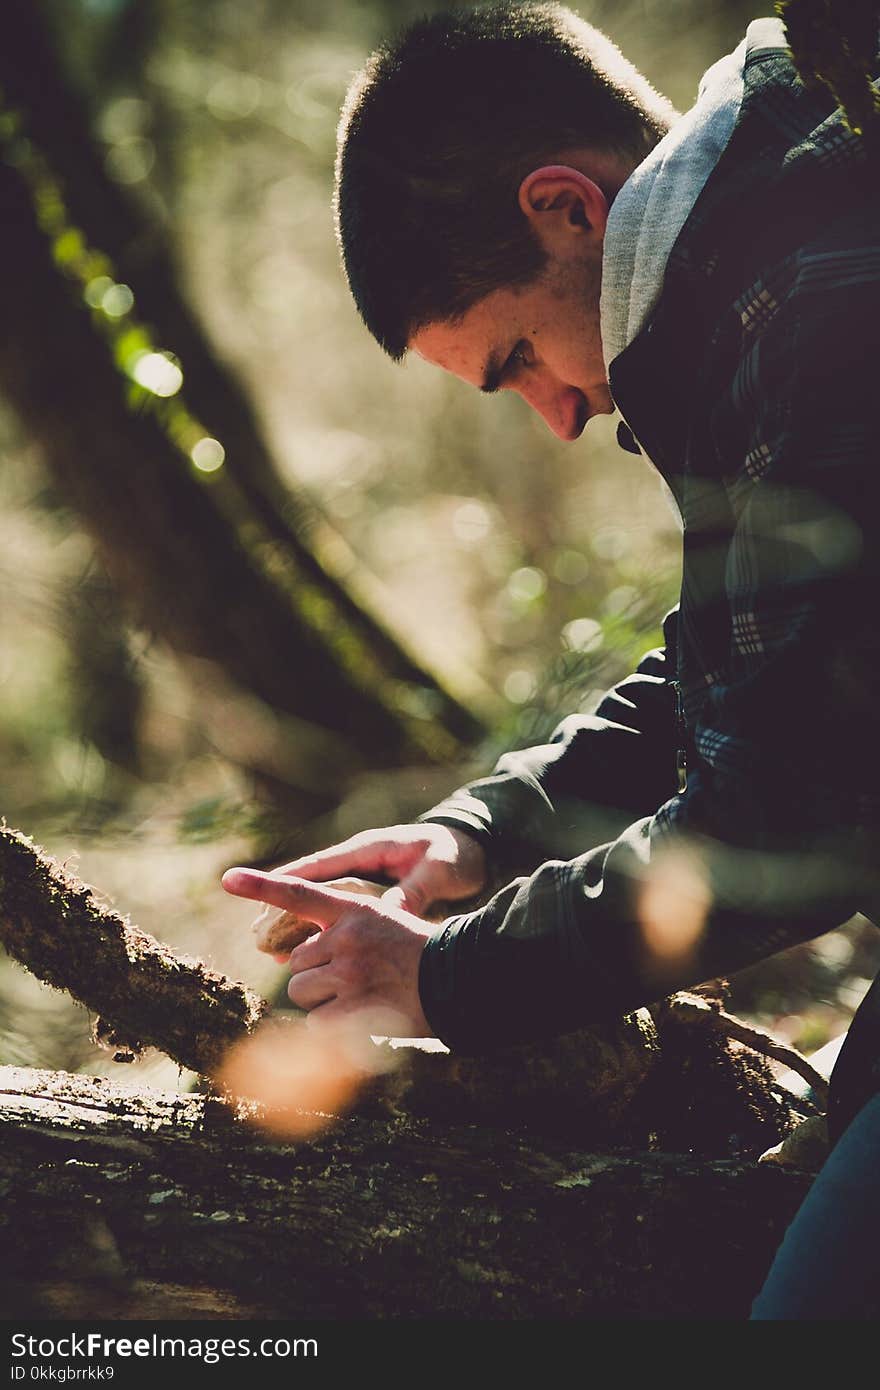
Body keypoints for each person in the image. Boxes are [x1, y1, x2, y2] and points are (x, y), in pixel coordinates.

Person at [222, 3, 880, 1317]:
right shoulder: (766, 266)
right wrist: (485, 834)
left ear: (566, 209)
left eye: (516, 360)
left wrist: (442, 972)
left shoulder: (820, 302)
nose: (561, 416)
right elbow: (755, 665)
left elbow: (797, 812)